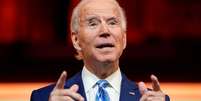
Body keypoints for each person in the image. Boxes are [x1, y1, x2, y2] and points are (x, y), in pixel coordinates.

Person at [31, 0, 170, 101]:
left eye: (112, 23)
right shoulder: (43, 97)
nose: (105, 31)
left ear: (124, 39)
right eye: (93, 23)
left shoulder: (153, 99)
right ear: (76, 40)